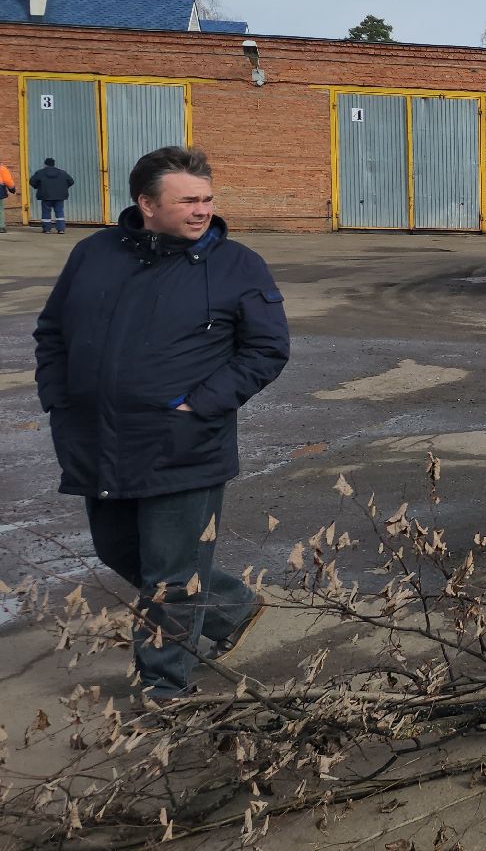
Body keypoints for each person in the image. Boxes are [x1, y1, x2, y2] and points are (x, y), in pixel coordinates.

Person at [33, 146, 291, 699]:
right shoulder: (93, 253)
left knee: (171, 579)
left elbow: (267, 349)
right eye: (188, 201)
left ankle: (165, 691)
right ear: (146, 204)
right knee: (117, 551)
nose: (203, 210)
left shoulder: (236, 264)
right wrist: (58, 397)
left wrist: (201, 404)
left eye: (208, 199)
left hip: (184, 445)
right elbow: (52, 331)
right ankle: (232, 606)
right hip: (96, 440)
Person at [30, 157, 74, 233]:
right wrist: (63, 187)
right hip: (60, 196)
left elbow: (32, 181)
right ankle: (61, 229)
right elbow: (71, 181)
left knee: (46, 212)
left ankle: (47, 229)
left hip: (46, 195)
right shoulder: (62, 173)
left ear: (45, 164)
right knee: (59, 211)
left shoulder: (40, 172)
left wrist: (38, 187)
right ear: (54, 164)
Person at [0, 159, 14, 232]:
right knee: (0, 209)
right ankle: (1, 227)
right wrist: (12, 188)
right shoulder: (2, 168)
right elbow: (7, 180)